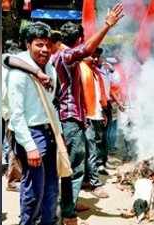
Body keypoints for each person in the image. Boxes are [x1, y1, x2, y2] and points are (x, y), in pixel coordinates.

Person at [55, 3, 124, 225]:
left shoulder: (64, 56)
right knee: (74, 167)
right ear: (78, 40)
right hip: (69, 119)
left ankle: (70, 204)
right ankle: (67, 213)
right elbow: (85, 51)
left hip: (75, 117)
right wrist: (107, 25)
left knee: (76, 164)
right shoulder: (66, 56)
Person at [7, 21, 59, 225]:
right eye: (39, 44)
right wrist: (29, 146)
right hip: (30, 133)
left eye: (47, 44)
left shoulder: (51, 68)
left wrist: (58, 134)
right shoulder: (18, 74)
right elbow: (16, 115)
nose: (45, 49)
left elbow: (52, 106)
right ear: (28, 45)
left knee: (51, 188)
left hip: (49, 132)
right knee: (34, 190)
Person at [80, 48, 109, 198]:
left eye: (98, 56)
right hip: (88, 117)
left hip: (97, 115)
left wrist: (103, 112)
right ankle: (95, 183)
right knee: (91, 151)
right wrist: (83, 115)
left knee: (93, 149)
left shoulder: (96, 73)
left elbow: (100, 95)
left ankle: (86, 179)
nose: (96, 59)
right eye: (93, 56)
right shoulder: (82, 71)